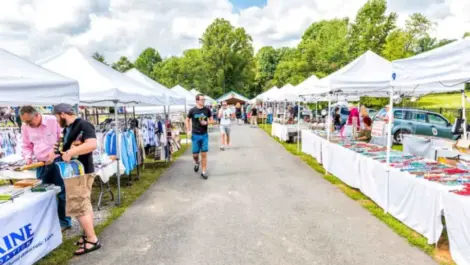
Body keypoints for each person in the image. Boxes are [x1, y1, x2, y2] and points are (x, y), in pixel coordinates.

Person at [53, 103, 100, 255]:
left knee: (79, 207)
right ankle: (87, 234)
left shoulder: (83, 124)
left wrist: (71, 152)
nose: (56, 119)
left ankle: (92, 240)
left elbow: (92, 144)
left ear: (62, 114)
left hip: (81, 171)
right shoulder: (68, 128)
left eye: (56, 116)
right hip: (75, 172)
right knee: (84, 205)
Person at [20, 106, 72, 231]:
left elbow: (64, 138)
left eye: (29, 122)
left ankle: (64, 222)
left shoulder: (53, 121)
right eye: (25, 122)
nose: (28, 125)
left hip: (57, 161)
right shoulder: (25, 127)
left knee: (62, 192)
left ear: (37, 115)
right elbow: (26, 145)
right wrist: (28, 157)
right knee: (42, 193)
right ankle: (47, 223)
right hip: (40, 164)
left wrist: (54, 153)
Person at [186, 94, 212, 179]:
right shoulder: (192, 110)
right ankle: (197, 162)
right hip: (195, 135)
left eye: (204, 99)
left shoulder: (207, 110)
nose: (203, 101)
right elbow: (187, 120)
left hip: (204, 135)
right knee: (195, 155)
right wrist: (188, 130)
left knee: (204, 154)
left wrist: (207, 123)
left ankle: (203, 172)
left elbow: (213, 120)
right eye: (202, 99)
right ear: (197, 101)